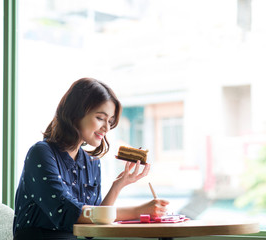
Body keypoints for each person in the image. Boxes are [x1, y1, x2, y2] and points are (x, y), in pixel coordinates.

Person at [13, 77, 169, 239]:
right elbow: (67, 213)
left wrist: (117, 186)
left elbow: (94, 224)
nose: (107, 127)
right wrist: (137, 211)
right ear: (75, 113)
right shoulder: (41, 153)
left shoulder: (92, 163)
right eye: (100, 118)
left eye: (110, 121)